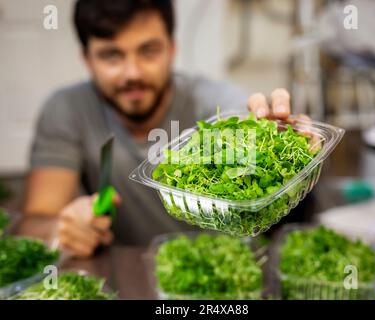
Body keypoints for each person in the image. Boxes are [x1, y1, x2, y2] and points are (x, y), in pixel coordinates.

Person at [23, 0, 294, 257]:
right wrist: (62, 230)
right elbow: (34, 224)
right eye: (111, 56)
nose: (133, 73)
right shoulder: (67, 109)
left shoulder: (215, 103)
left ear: (172, 49)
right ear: (87, 59)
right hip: (126, 275)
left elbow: (254, 128)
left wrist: (282, 144)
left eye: (148, 51)